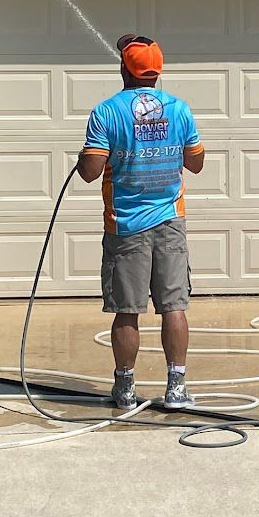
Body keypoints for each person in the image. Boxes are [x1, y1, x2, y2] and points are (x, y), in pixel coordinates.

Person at [77, 34, 205, 410]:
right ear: (157, 71)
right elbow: (196, 163)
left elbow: (89, 172)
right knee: (174, 306)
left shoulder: (107, 112)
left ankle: (125, 389)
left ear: (123, 69)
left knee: (127, 309)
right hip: (170, 220)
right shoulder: (179, 110)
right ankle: (176, 388)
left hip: (126, 225)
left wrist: (89, 155)